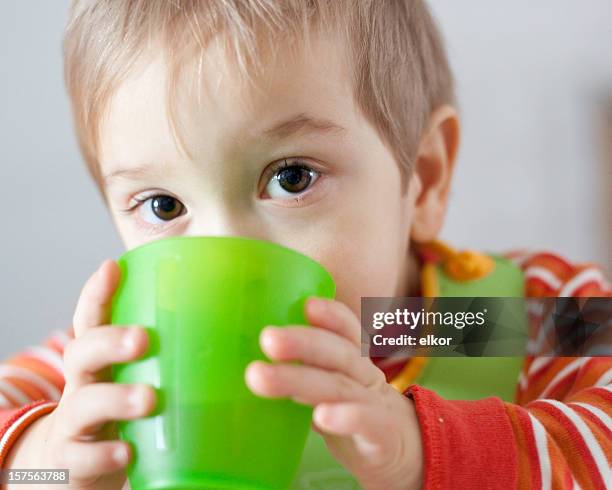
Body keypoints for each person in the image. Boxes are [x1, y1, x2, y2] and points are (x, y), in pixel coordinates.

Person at [1, 1, 610, 489]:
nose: (226, 253)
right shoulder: (126, 365)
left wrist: (427, 453)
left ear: (422, 178)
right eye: (164, 205)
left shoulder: (467, 323)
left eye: (291, 177)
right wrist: (46, 467)